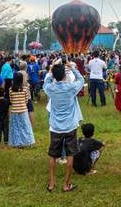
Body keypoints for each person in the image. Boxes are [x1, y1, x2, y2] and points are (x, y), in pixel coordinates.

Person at [43, 60, 85, 192]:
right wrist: (72, 67)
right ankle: (66, 184)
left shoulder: (50, 88)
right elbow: (81, 79)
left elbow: (46, 82)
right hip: (70, 126)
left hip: (55, 126)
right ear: (64, 75)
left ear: (55, 76)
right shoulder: (71, 88)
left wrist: (51, 69)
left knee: (52, 155)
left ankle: (51, 183)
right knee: (70, 155)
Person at [8, 71, 35, 147]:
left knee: (15, 127)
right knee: (25, 126)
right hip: (23, 110)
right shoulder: (25, 89)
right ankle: (28, 141)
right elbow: (27, 100)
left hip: (14, 110)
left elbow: (11, 100)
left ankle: (16, 143)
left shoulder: (10, 89)